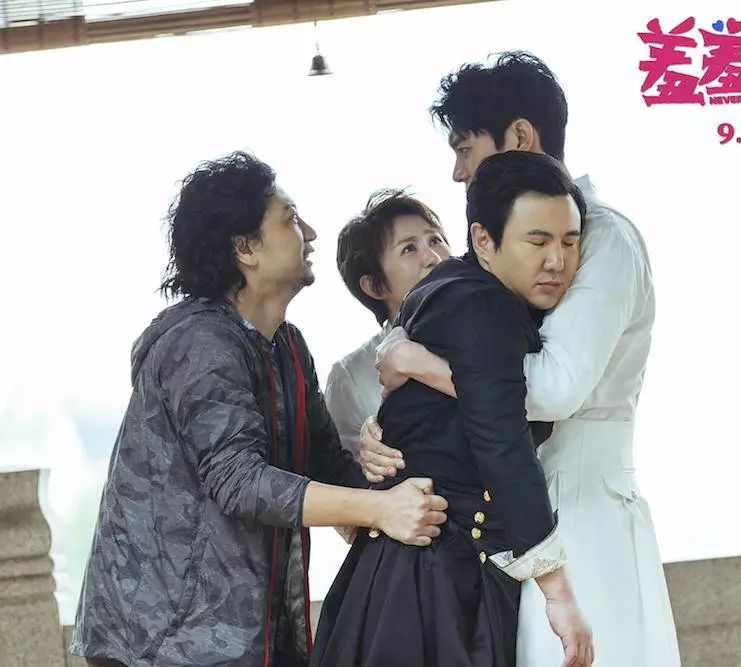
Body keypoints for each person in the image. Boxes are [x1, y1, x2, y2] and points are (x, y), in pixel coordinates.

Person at [361, 52, 681, 665]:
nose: (457, 172)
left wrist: (418, 362)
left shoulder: (606, 239)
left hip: (581, 506)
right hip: (520, 512)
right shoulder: (492, 265)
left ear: (520, 138)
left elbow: (556, 387)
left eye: (465, 149)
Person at [70, 152, 448, 667]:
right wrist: (380, 510)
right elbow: (239, 481)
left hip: (240, 640)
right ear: (245, 248)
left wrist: (387, 472)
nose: (310, 233)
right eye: (290, 220)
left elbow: (325, 462)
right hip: (162, 645)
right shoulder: (199, 344)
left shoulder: (287, 345)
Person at [311, 151, 593, 667]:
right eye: (537, 242)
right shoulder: (482, 304)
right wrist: (557, 592)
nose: (557, 260)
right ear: (484, 240)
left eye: (570, 242)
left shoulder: (453, 293)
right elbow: (501, 439)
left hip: (413, 570)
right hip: (433, 580)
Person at [324, 190, 451, 456]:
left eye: (435, 240)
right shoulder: (351, 376)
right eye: (409, 248)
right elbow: (347, 471)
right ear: (374, 286)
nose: (433, 257)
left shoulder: (494, 324)